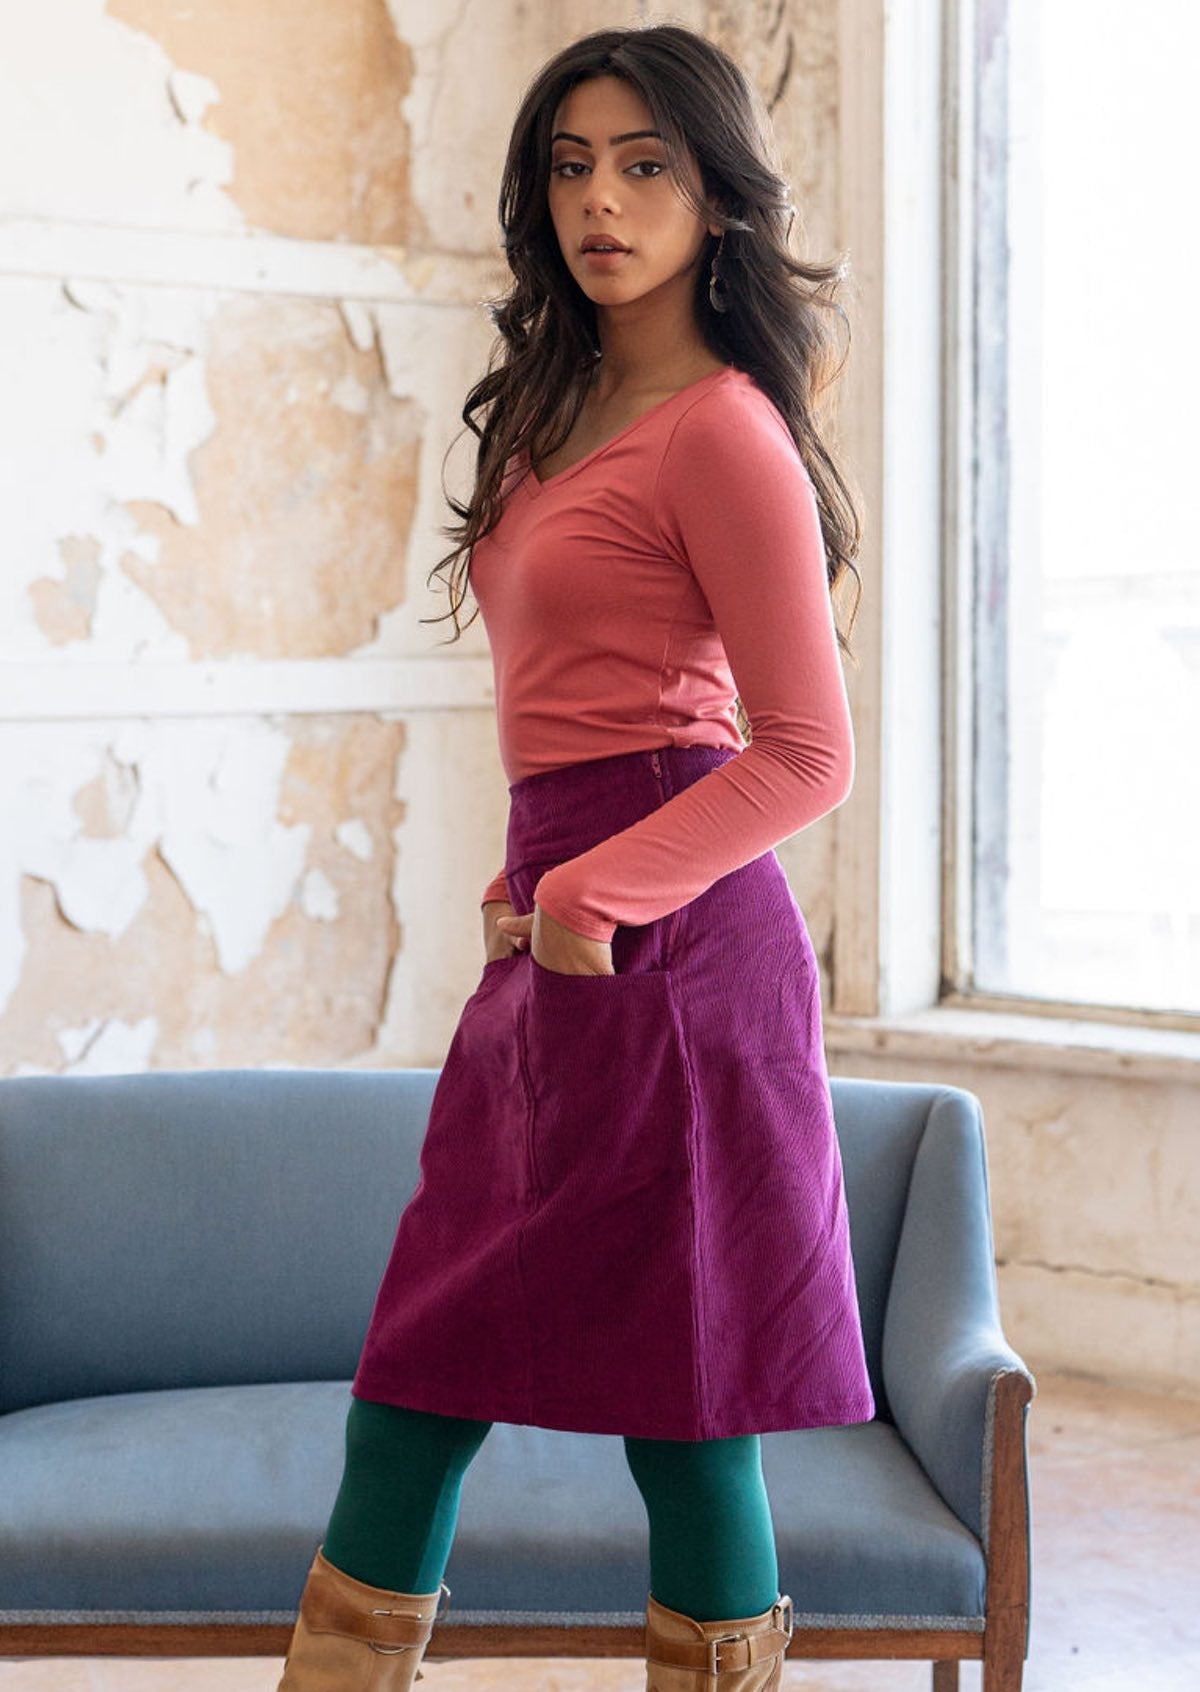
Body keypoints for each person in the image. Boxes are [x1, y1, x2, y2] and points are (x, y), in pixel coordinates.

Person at [277, 22, 873, 1692]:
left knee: (688, 1415)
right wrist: (528, 879)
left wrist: (591, 887)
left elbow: (806, 752)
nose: (600, 200)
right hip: (556, 938)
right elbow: (581, 709)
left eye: (646, 165)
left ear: (718, 197)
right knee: (415, 1380)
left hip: (676, 957)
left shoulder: (724, 431)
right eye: (570, 165)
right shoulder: (549, 413)